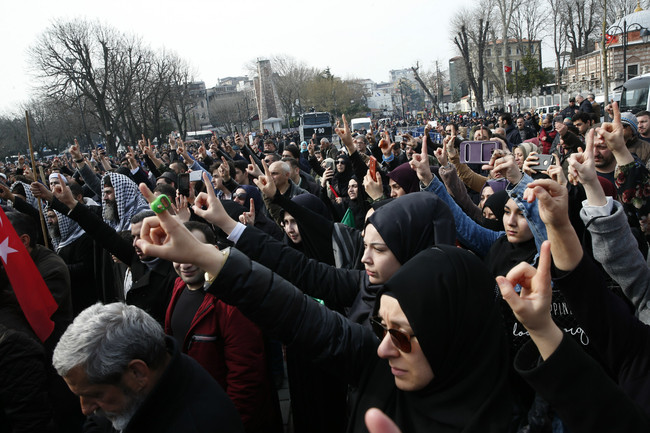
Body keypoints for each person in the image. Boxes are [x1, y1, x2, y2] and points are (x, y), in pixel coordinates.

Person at [134, 201, 513, 433]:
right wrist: (217, 246)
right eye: (380, 326)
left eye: (399, 334)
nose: (381, 348)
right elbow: (301, 294)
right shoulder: (367, 295)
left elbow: (312, 323)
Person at [52, 302, 244, 433]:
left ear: (138, 373)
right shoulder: (162, 367)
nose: (85, 409)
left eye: (96, 395)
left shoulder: (200, 424)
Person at [165, 221, 281, 433]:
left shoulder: (231, 303)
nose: (185, 262)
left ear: (214, 251)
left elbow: (246, 380)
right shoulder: (178, 287)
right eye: (180, 252)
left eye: (194, 251)